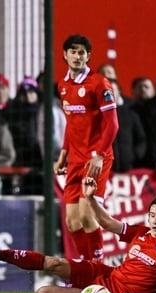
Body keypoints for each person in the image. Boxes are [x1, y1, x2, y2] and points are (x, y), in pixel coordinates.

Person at [0, 177, 156, 293]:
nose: (155, 220)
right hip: (107, 274)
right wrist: (91, 198)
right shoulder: (141, 232)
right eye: (152, 215)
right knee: (54, 263)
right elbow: (105, 222)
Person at [54, 34, 119, 262]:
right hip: (74, 160)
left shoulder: (99, 83)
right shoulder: (62, 86)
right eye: (73, 51)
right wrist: (63, 154)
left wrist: (100, 155)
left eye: (82, 52)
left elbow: (113, 124)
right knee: (71, 221)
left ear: (88, 56)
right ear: (65, 55)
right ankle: (86, 267)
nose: (77, 56)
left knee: (87, 215)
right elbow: (71, 124)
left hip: (96, 160)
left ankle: (98, 266)